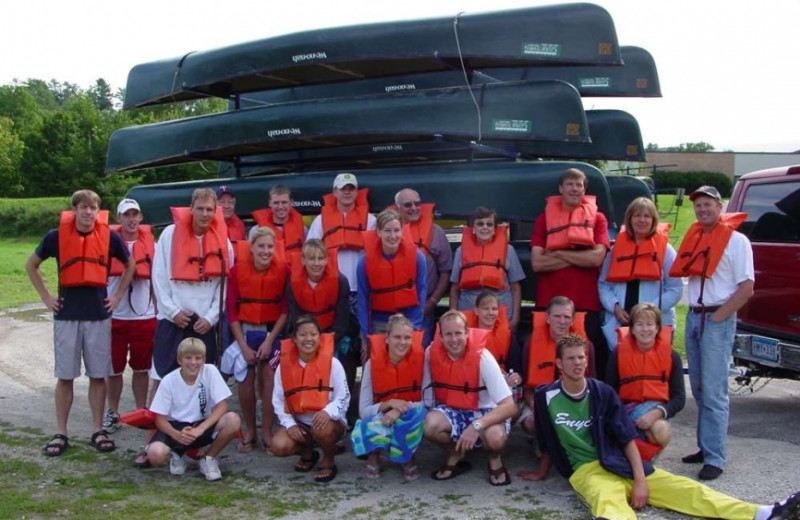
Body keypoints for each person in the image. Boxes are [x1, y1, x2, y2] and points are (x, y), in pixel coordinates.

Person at [518, 333, 799, 520]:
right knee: (608, 505)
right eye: (571, 358)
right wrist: (540, 473)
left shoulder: (601, 392)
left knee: (688, 490)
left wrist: (640, 480)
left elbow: (626, 438)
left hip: (620, 463)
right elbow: (548, 439)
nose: (578, 363)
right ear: (559, 363)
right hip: (587, 472)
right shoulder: (545, 397)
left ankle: (763, 513)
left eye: (582, 357)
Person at [26, 189, 135, 456]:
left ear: (98, 212)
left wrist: (118, 295)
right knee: (65, 376)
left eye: (93, 208)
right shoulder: (56, 237)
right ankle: (61, 432)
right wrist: (46, 297)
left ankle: (97, 430)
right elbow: (31, 265)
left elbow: (130, 265)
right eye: (83, 207)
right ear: (74, 210)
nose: (88, 212)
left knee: (98, 376)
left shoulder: (109, 237)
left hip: (98, 315)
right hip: (67, 316)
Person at [669, 185, 754, 480]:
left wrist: (719, 318)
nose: (702, 209)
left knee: (715, 391)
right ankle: (705, 447)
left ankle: (716, 457)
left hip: (716, 318)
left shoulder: (737, 241)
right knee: (700, 389)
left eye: (708, 204)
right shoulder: (698, 238)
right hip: (694, 317)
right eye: (698, 205)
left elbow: (746, 288)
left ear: (720, 207)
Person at [530, 167, 610, 377]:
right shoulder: (543, 219)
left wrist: (558, 253)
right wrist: (577, 256)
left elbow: (596, 258)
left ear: (585, 189)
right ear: (561, 188)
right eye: (570, 184)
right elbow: (537, 263)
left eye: (579, 185)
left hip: (585, 304)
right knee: (545, 364)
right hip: (548, 305)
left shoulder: (598, 219)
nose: (575, 189)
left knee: (582, 363)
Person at [422, 310, 518, 485]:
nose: (453, 339)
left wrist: (476, 426)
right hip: (454, 409)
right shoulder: (431, 353)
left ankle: (494, 457)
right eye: (448, 334)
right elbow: (427, 398)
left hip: (488, 412)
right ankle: (456, 452)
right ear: (440, 337)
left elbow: (510, 406)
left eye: (458, 333)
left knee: (495, 436)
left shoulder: (483, 357)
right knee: (429, 424)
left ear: (467, 333)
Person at [151, 188, 234, 385]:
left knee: (201, 380)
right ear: (191, 209)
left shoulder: (224, 244)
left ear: (215, 211)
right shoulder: (169, 235)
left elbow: (224, 288)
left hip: (203, 324)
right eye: (200, 209)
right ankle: (161, 416)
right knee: (164, 379)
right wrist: (172, 312)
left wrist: (211, 318)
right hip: (172, 320)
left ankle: (200, 417)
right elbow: (159, 278)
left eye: (209, 209)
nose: (205, 214)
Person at [224, 227, 288, 452]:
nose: (266, 251)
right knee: (245, 378)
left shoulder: (284, 271)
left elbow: (284, 310)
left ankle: (267, 432)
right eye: (261, 246)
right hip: (246, 332)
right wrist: (242, 345)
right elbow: (231, 312)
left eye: (270, 246)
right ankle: (250, 431)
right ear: (251, 247)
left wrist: (270, 341)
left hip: (272, 333)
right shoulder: (236, 271)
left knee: (269, 376)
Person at [146, 338, 241, 482]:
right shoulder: (168, 381)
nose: (193, 363)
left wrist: (201, 429)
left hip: (201, 425)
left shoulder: (210, 371)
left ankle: (208, 458)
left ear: (203, 359)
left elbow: (222, 405)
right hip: (175, 426)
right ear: (179, 360)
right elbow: (159, 419)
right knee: (155, 455)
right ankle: (176, 454)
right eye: (188, 358)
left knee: (233, 419)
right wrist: (176, 434)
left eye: (198, 358)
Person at [271, 316, 350, 483]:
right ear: (294, 338)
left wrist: (328, 412)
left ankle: (328, 459)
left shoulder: (333, 363)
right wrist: (290, 424)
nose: (308, 339)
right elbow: (277, 400)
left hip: (329, 422)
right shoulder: (282, 367)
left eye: (313, 334)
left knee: (322, 428)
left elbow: (343, 396)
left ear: (319, 337)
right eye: (303, 335)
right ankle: (308, 452)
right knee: (278, 446)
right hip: (300, 423)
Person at [598, 197, 683, 351]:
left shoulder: (666, 250)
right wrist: (615, 307)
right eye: (637, 215)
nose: (641, 220)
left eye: (646, 216)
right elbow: (603, 285)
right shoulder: (615, 250)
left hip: (654, 325)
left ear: (653, 220)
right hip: (620, 322)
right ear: (629, 219)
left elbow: (676, 288)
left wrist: (651, 310)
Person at [103, 198, 157, 434]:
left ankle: (140, 410)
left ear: (141, 217)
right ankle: (112, 412)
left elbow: (156, 279)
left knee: (141, 368)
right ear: (119, 219)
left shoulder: (150, 244)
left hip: (144, 317)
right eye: (127, 215)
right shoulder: (108, 243)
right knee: (113, 369)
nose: (132, 219)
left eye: (135, 214)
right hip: (115, 317)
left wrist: (159, 310)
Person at [351, 314, 426, 481]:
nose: (402, 342)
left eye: (407, 337)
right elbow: (363, 411)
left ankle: (406, 455)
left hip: (409, 414)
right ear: (386, 338)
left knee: (413, 415)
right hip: (382, 415)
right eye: (397, 337)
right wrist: (389, 404)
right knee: (370, 420)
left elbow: (428, 401)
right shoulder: (372, 364)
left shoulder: (422, 360)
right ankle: (375, 453)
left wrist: (399, 411)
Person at [606, 304, 685, 459]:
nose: (645, 329)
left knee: (660, 429)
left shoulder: (672, 357)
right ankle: (638, 459)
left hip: (656, 411)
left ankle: (646, 460)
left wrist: (656, 413)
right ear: (632, 329)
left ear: (657, 328)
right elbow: (610, 392)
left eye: (650, 324)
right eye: (639, 324)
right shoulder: (618, 355)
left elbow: (679, 398)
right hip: (625, 412)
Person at [519, 296, 593, 437]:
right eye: (557, 316)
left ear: (573, 320)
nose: (562, 322)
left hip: (575, 402)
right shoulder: (530, 344)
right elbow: (527, 387)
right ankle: (540, 441)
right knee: (531, 423)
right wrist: (539, 408)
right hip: (540, 401)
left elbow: (592, 384)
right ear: (547, 318)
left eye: (566, 317)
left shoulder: (586, 346)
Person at [450, 206, 525, 330]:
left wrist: (515, 318)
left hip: (501, 313)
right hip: (469, 311)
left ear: (495, 229)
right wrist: (453, 316)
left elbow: (516, 288)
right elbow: (454, 289)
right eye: (480, 224)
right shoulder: (461, 251)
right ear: (473, 229)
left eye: (489, 224)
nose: (485, 227)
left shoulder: (509, 251)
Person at [394, 188, 453, 346]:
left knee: (420, 357)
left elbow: (446, 272)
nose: (414, 208)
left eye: (417, 203)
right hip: (392, 310)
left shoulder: (437, 233)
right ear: (397, 208)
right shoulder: (389, 233)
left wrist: (432, 302)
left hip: (424, 308)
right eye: (408, 205)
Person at [357, 209, 427, 341]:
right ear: (378, 232)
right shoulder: (364, 262)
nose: (393, 236)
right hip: (380, 323)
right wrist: (366, 335)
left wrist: (415, 328)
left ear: (402, 231)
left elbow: (421, 292)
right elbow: (363, 300)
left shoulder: (418, 258)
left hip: (409, 321)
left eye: (396, 230)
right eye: (387, 230)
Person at [251, 184, 307, 253]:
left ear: (291, 203)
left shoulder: (303, 230)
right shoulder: (256, 230)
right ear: (270, 203)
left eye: (284, 202)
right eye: (276, 203)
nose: (280, 207)